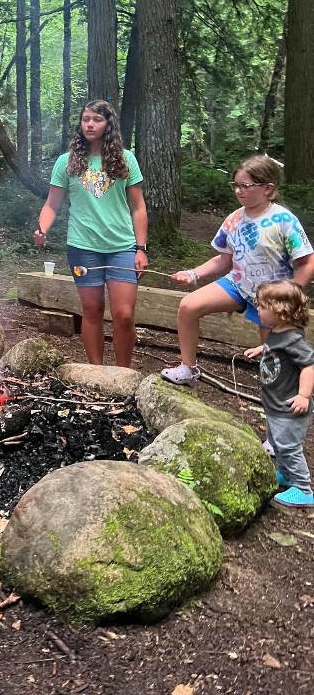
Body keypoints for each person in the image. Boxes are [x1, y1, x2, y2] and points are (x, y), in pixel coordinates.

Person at [162, 155, 314, 387]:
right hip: (238, 284)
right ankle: (188, 368)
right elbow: (224, 260)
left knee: (274, 354)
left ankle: (283, 395)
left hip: (273, 295)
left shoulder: (283, 219)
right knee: (188, 306)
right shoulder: (234, 219)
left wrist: (290, 294)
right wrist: (194, 274)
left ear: (267, 188)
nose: (238, 191)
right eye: (235, 185)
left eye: (245, 186)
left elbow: (306, 262)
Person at [33, 99, 148, 367]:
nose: (89, 124)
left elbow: (138, 207)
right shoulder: (67, 162)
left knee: (124, 314)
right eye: (86, 119)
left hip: (122, 247)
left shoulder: (125, 159)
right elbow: (52, 204)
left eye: (96, 119)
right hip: (83, 247)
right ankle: (95, 372)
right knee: (92, 311)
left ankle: (123, 374)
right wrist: (42, 228)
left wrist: (141, 248)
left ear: (109, 124)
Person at [244, 280, 314, 509]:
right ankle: (285, 474)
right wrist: (262, 349)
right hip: (275, 405)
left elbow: (309, 365)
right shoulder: (277, 333)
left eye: (262, 306)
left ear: (280, 312)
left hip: (290, 407)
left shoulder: (294, 338)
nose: (258, 309)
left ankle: (304, 489)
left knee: (288, 446)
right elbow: (275, 349)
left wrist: (304, 395)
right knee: (276, 441)